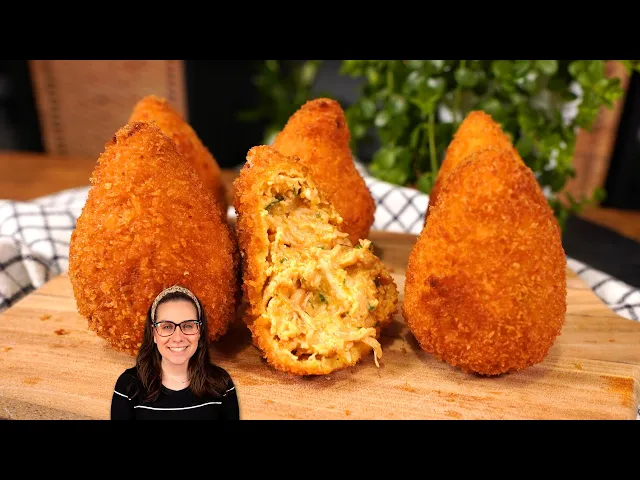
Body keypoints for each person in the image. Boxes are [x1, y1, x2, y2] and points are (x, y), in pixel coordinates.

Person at [110, 285, 240, 420]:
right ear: (154, 333)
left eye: (188, 326)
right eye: (167, 327)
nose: (178, 338)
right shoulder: (129, 386)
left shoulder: (221, 384)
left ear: (199, 331)